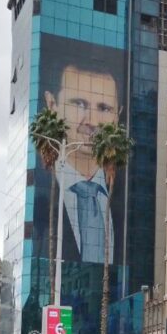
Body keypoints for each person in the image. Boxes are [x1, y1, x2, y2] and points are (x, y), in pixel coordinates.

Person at [42, 42, 125, 265]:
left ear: (117, 116)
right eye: (79, 104)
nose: (92, 121)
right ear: (53, 105)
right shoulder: (40, 195)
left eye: (104, 108)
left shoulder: (126, 201)